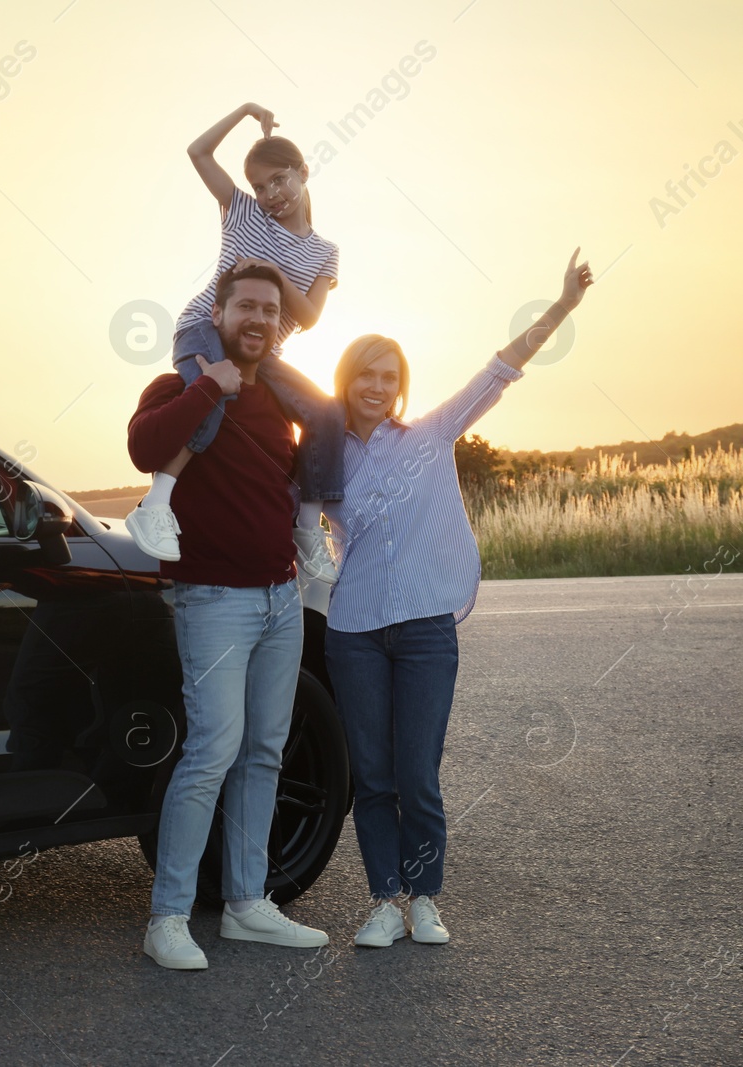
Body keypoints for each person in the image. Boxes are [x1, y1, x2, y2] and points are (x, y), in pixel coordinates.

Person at [323, 250, 595, 948]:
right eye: (367, 374)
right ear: (346, 381)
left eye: (391, 377)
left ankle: (424, 898)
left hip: (423, 630)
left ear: (402, 386)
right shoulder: (321, 454)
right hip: (351, 630)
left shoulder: (434, 432)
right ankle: (384, 899)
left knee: (417, 772)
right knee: (374, 775)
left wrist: (562, 305)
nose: (378, 386)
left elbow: (503, 364)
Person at [128, 262, 330, 970]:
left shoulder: (278, 399)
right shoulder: (181, 386)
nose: (258, 318)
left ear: (279, 325)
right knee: (212, 748)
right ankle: (168, 917)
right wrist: (211, 384)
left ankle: (248, 903)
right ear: (218, 314)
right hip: (213, 599)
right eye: (245, 305)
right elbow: (145, 449)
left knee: (265, 750)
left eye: (270, 311)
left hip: (281, 597)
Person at [126, 102, 345, 584]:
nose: (271, 194)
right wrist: (246, 111)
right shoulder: (242, 211)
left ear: (304, 172)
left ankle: (308, 527)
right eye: (261, 186)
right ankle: (156, 503)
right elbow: (198, 152)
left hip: (265, 354)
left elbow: (307, 317)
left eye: (280, 180)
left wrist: (272, 274)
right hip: (205, 329)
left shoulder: (325, 252)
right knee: (215, 397)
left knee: (327, 412)